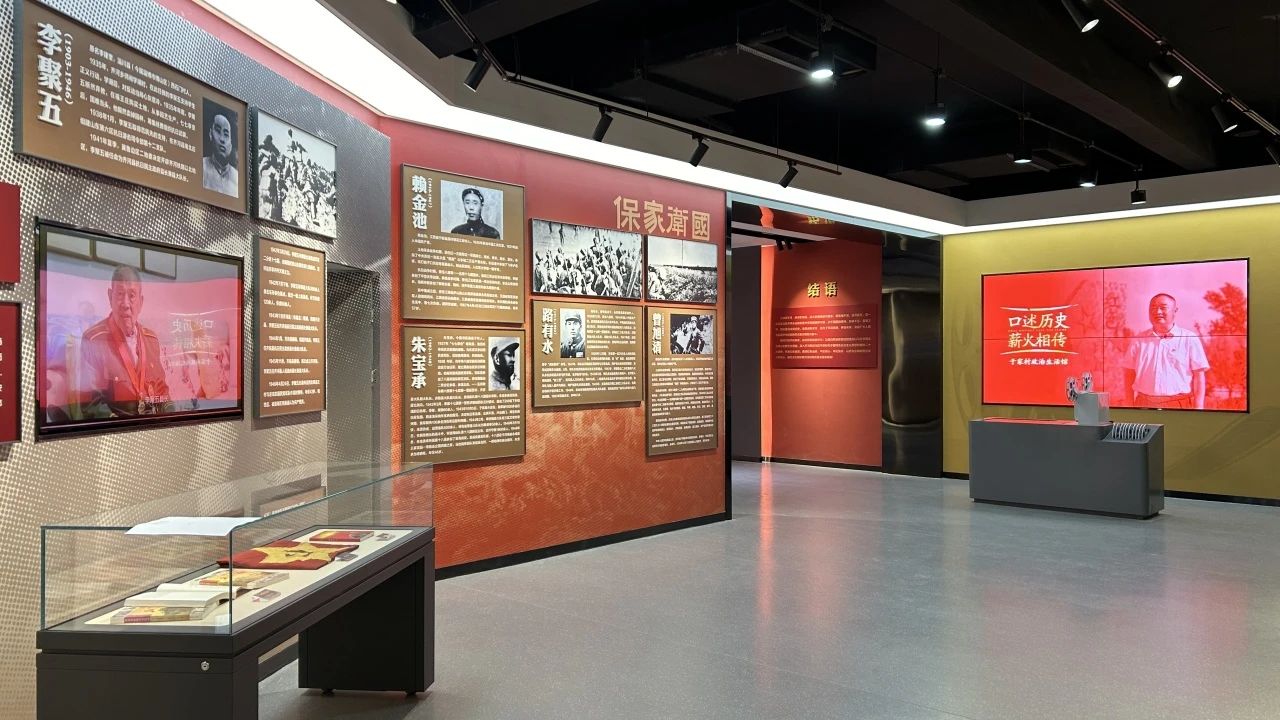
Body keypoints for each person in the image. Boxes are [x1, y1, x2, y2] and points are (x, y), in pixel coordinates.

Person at [79, 265, 174, 417]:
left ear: (140, 302)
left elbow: (162, 392)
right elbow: (91, 406)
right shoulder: (93, 340)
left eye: (131, 295)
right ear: (110, 296)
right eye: (120, 294)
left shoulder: (151, 340)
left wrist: (171, 418)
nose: (125, 304)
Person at [1122, 293, 1209, 409]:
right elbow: (1129, 374)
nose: (1157, 312)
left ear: (1175, 310)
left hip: (1179, 405)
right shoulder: (1138, 340)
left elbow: (1199, 376)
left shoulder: (1189, 338)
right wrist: (1129, 406)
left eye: (1163, 308)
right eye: (1153, 308)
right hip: (1143, 404)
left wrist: (1199, 409)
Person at [202, 110, 239, 197]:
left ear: (231, 143)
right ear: (210, 134)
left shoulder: (237, 178)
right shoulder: (201, 166)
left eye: (226, 134)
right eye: (218, 131)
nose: (222, 139)